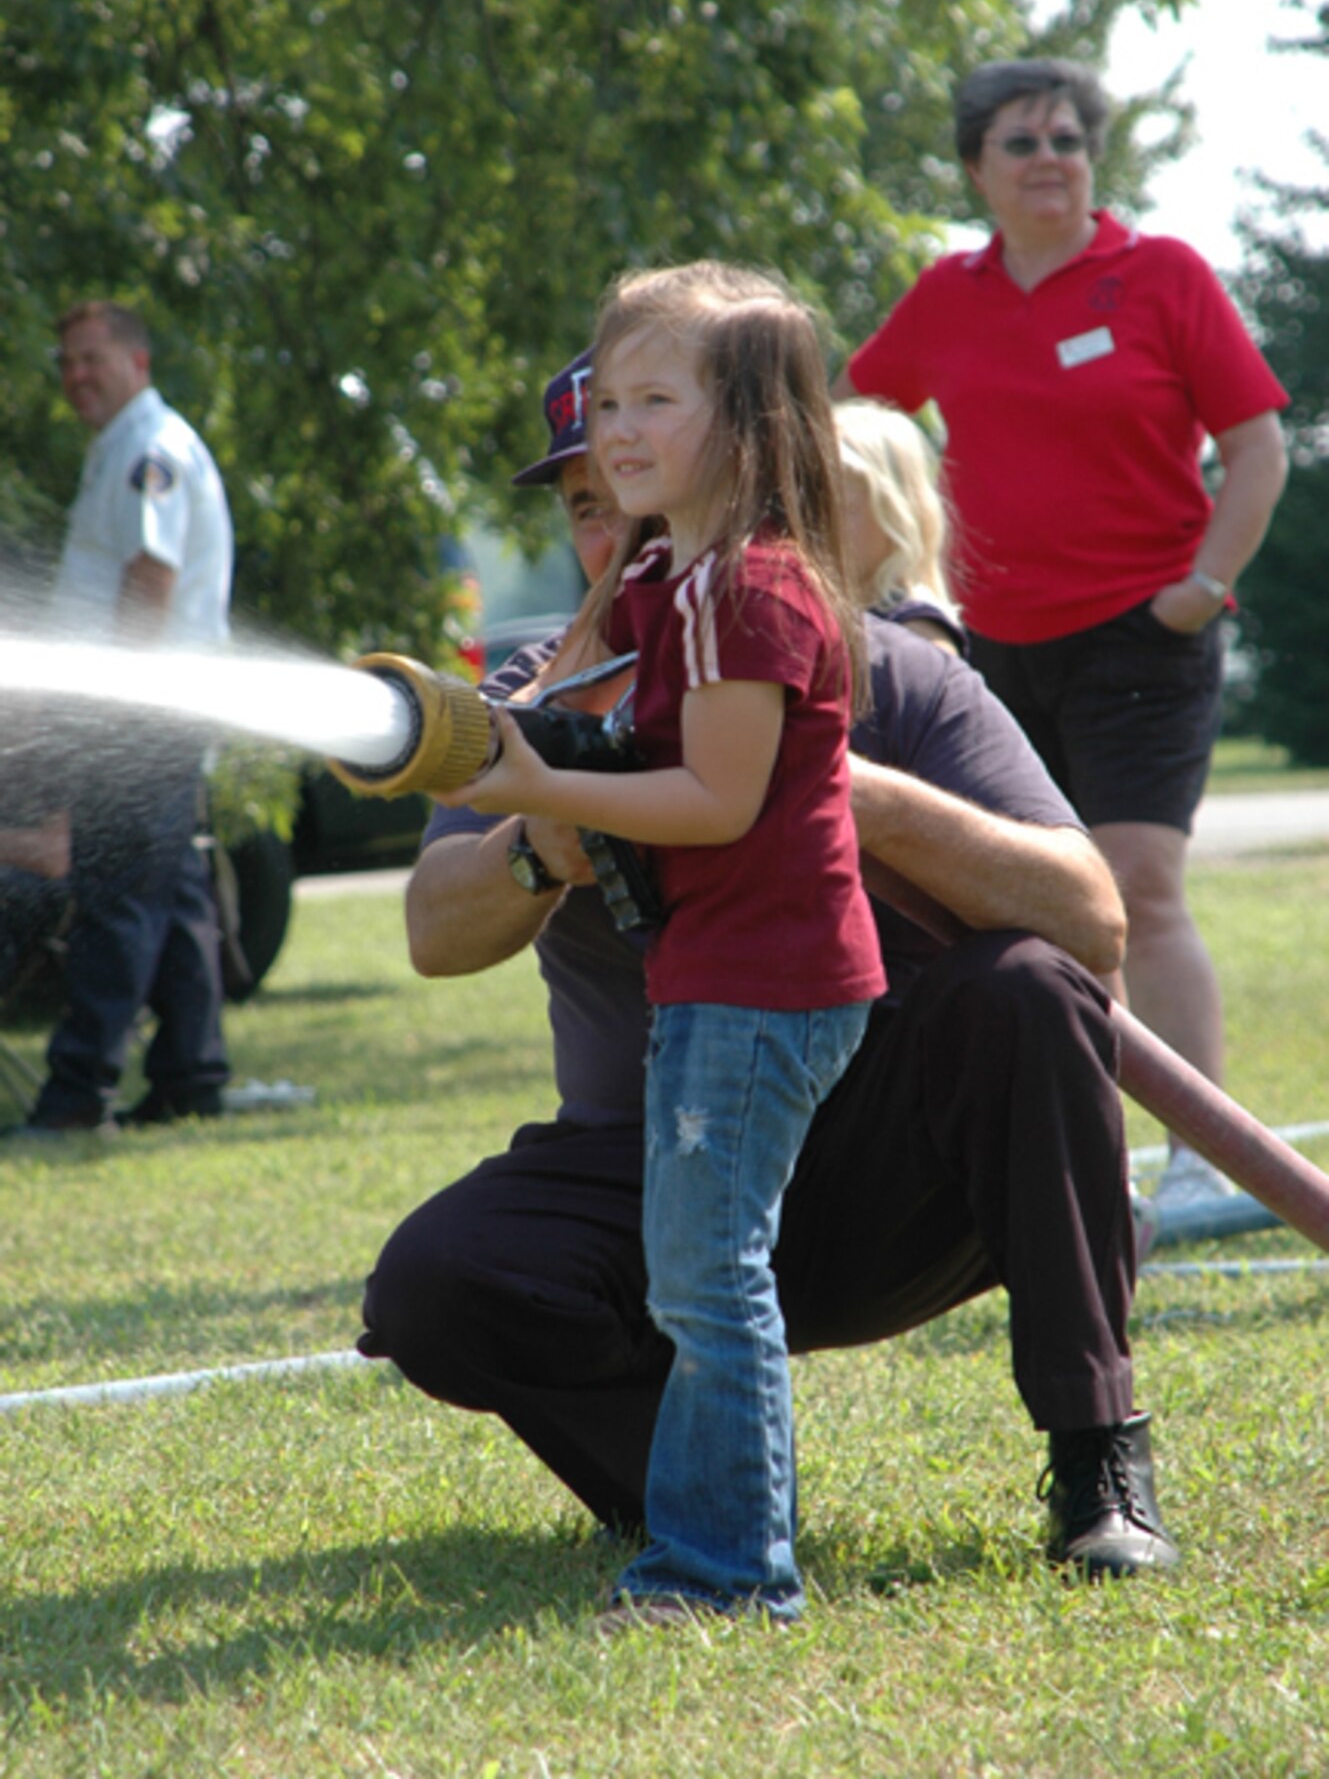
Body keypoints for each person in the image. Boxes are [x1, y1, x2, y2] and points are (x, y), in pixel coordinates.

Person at [359, 339, 1182, 1601]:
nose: (623, 528)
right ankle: (700, 1488)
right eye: (588, 504)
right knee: (439, 1279)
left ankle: (1097, 1460)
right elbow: (432, 933)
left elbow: (1094, 922)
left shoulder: (883, 666)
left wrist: (851, 790)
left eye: (647, 488)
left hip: (883, 1161)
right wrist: (548, 840)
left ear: (739, 482)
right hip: (651, 1154)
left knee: (1029, 988)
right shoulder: (527, 706)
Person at [432, 264, 885, 1625]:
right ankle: (714, 1555)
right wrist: (521, 744)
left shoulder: (747, 590)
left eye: (654, 401)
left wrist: (532, 787)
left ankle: (729, 1570)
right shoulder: (667, 582)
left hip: (764, 986)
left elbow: (716, 801)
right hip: (715, 979)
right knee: (700, 1266)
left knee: (704, 1273)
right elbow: (634, 738)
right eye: (608, 399)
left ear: (746, 424)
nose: (616, 429)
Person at [833, 57, 1289, 1212]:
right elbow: (853, 422)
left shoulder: (1162, 275)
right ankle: (1102, 1163)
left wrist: (1201, 583)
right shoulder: (947, 295)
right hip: (991, 651)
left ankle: (1203, 1164)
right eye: (1023, 142)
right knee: (1044, 896)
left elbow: (1258, 447)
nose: (1051, 159)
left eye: (1069, 140)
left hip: (1147, 633)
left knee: (1137, 884)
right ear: (978, 169)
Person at [5, 301, 234, 1138]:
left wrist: (113, 706)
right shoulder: (122, 447)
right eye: (66, 361)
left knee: (114, 903)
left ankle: (74, 1098)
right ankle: (190, 1077)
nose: (75, 376)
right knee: (168, 899)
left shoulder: (151, 449)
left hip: (140, 713)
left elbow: (150, 578)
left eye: (92, 359)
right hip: (150, 711)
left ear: (136, 362)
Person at [835, 398, 962, 653]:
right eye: (810, 508)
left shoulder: (920, 635)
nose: (821, 526)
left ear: (896, 517)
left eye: (845, 510)